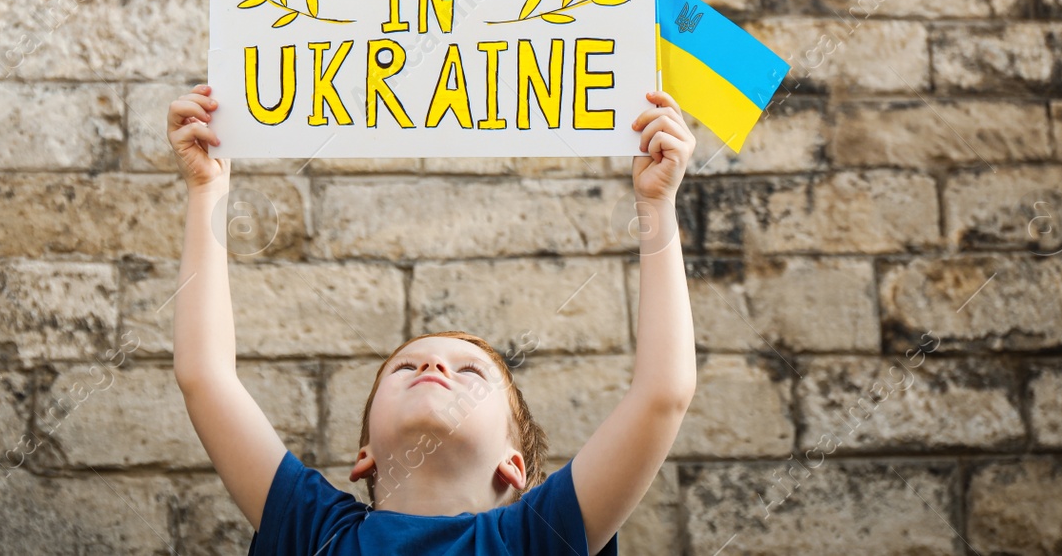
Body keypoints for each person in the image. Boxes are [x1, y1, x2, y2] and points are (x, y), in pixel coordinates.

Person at [168, 84, 698, 556]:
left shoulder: (536, 535)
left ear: (515, 467)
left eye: (469, 373)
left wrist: (656, 203)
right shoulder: (313, 529)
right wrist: (206, 190)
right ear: (364, 457)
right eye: (406, 368)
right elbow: (205, 376)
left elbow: (662, 395)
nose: (433, 369)